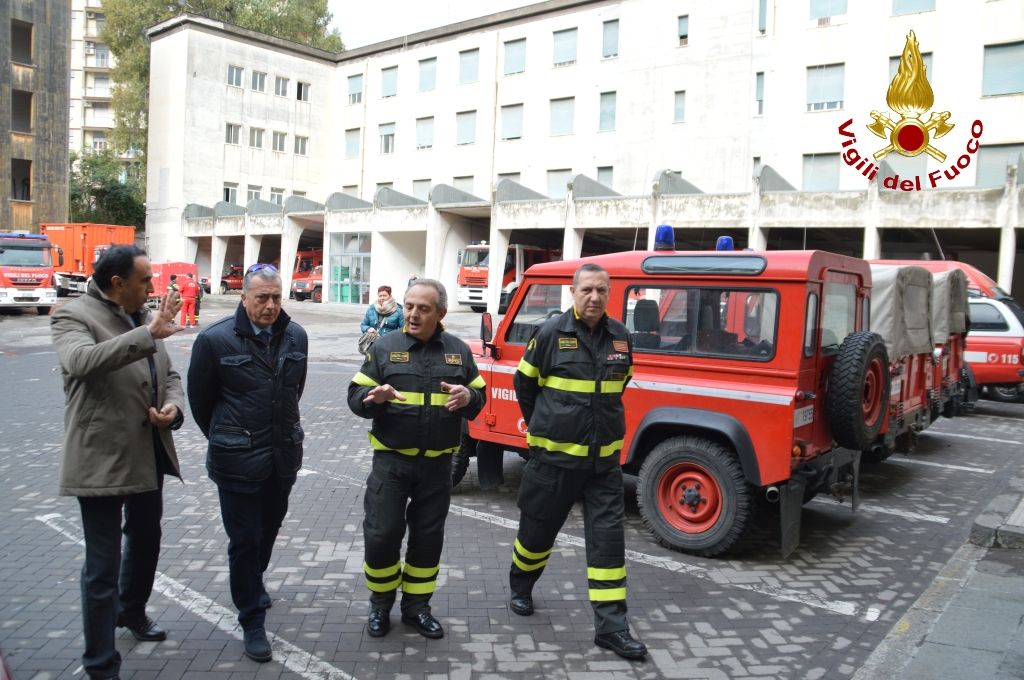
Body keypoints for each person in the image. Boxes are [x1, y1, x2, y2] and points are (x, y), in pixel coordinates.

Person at [51, 245, 185, 680]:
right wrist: (147, 333)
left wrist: (172, 408)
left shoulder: (141, 316)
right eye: (144, 280)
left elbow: (169, 374)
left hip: (147, 453)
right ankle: (100, 661)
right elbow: (80, 362)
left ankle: (133, 612)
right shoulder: (73, 314)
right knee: (102, 568)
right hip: (102, 459)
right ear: (117, 283)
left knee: (145, 541)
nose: (152, 287)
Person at [508, 263, 647, 661]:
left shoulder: (621, 336)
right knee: (536, 534)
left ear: (609, 293)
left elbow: (619, 384)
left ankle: (612, 628)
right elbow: (525, 383)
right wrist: (543, 426)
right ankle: (521, 585)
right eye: (587, 290)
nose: (594, 297)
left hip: (603, 465)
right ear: (573, 292)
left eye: (602, 290)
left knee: (608, 546)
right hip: (553, 462)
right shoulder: (551, 332)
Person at [348, 279, 486, 640]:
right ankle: (380, 605)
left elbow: (480, 398)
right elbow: (354, 395)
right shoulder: (385, 348)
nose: (412, 314)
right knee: (381, 535)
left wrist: (469, 398)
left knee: (427, 539)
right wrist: (371, 397)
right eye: (408, 306)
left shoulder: (458, 351)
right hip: (391, 465)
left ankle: (417, 608)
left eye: (422, 308)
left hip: (437, 468)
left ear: (440, 313)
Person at [187, 263, 308, 663]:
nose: (271, 306)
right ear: (244, 298)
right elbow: (202, 404)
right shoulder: (214, 340)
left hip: (281, 456)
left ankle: (252, 583)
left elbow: (294, 392)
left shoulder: (296, 336)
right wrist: (230, 438)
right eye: (262, 298)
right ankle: (251, 619)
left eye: (276, 297)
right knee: (244, 540)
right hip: (236, 460)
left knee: (269, 528)